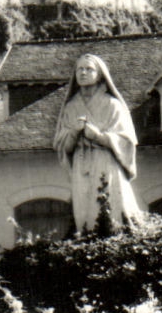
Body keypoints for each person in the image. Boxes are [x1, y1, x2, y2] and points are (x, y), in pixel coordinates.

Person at [53, 53, 142, 234]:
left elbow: (126, 141)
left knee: (108, 209)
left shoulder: (112, 105)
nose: (83, 73)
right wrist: (74, 132)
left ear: (100, 74)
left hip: (105, 161)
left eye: (89, 69)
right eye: (80, 69)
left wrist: (98, 136)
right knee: (83, 214)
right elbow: (63, 146)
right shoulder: (70, 107)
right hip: (81, 162)